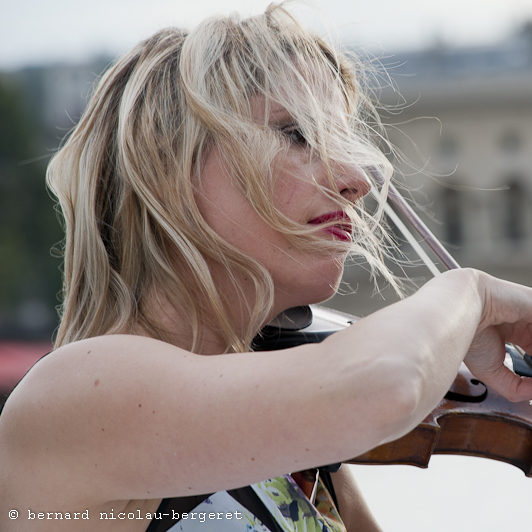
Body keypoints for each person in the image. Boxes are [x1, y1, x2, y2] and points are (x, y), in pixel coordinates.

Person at [1, 3, 532, 531]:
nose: (356, 178)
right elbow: (386, 384)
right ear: (168, 168)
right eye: (297, 134)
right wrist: (471, 294)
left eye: (340, 139)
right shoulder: (74, 397)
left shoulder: (287, 450)